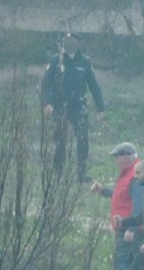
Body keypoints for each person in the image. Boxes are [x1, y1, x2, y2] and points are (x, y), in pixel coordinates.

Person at [39, 32, 105, 182]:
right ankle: (58, 174)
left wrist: (100, 108)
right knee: (60, 140)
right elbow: (45, 84)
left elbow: (94, 86)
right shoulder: (56, 61)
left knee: (82, 139)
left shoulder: (85, 62)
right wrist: (47, 103)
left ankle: (82, 173)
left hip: (79, 106)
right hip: (60, 105)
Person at [90, 142, 144, 270]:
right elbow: (120, 195)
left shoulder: (136, 176)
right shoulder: (127, 174)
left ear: (126, 158)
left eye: (117, 157)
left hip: (128, 230)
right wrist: (103, 190)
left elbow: (138, 206)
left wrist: (131, 229)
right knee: (140, 267)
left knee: (120, 264)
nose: (116, 161)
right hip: (125, 228)